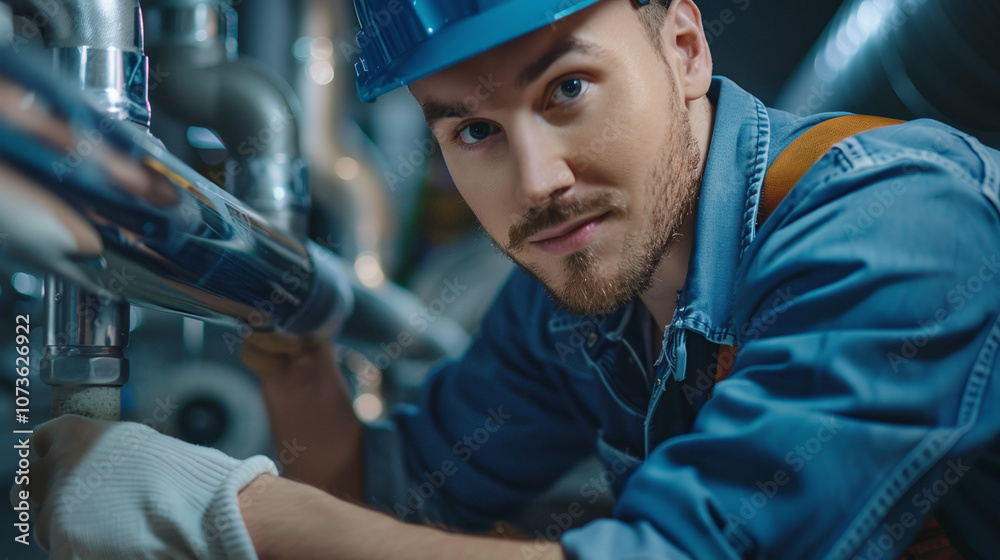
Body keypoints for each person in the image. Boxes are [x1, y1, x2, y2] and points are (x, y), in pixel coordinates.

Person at [20, 0, 1000, 558]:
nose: (537, 184)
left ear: (685, 49)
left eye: (566, 89)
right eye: (474, 131)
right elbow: (409, 503)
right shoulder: (571, 305)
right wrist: (299, 367)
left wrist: (229, 512)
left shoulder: (895, 222)